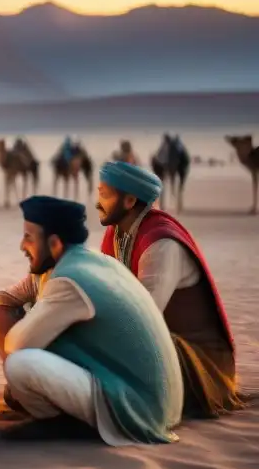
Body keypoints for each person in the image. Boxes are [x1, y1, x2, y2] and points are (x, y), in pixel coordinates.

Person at [0, 195, 182, 444]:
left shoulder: (69, 281)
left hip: (140, 408)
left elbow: (16, 346)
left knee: (19, 365)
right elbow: (5, 298)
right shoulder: (92, 262)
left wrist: (1, 327)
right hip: (163, 404)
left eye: (29, 237)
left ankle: (60, 422)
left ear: (54, 244)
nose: (22, 245)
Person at [96, 160, 240, 417]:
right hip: (156, 344)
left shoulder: (161, 244)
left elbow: (142, 317)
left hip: (197, 363)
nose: (98, 203)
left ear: (129, 201)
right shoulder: (118, 234)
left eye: (104, 195)